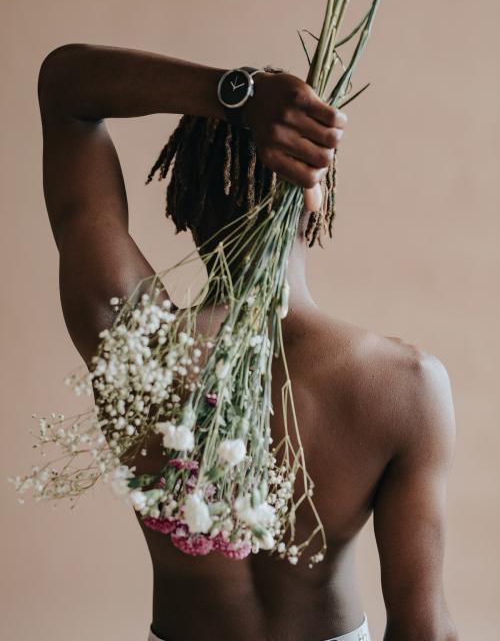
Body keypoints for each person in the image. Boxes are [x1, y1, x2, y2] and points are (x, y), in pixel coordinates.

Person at [37, 43, 459, 641]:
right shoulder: (408, 383)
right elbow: (425, 630)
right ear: (316, 194)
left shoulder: (134, 339)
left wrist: (235, 95)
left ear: (183, 198)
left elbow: (65, 88)